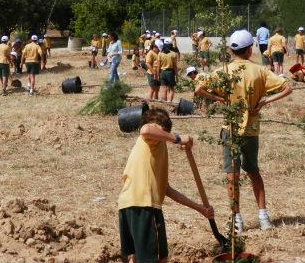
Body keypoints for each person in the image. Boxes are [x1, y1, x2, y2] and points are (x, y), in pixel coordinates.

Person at [195, 30, 292, 233]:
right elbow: (286, 88)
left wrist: (219, 99)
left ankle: (236, 218)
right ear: (249, 49)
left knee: (232, 175)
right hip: (251, 130)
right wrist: (265, 101)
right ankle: (263, 216)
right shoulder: (260, 71)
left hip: (230, 128)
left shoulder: (223, 71)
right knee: (254, 172)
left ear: (232, 50)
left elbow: (198, 90)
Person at [118, 108, 214, 263]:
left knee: (135, 258)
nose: (157, 133)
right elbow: (146, 130)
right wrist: (176, 138)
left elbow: (167, 189)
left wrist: (200, 208)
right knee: (158, 258)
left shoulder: (156, 148)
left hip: (128, 205)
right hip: (145, 205)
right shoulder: (148, 137)